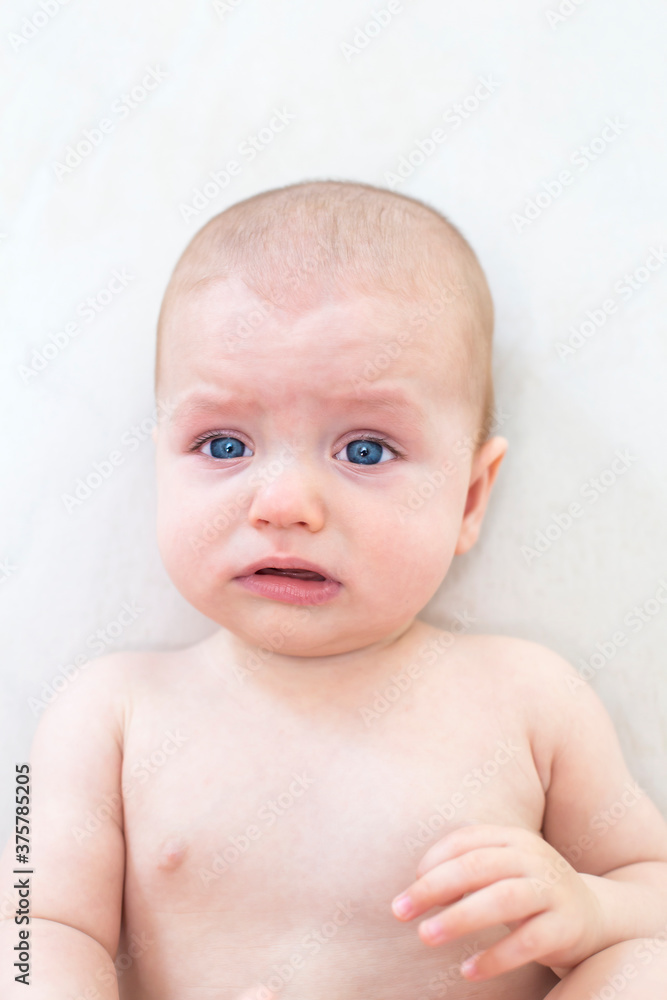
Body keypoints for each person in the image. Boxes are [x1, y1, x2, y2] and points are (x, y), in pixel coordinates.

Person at [2, 180, 667, 999]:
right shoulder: (106, 712)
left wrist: (590, 910)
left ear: (467, 497)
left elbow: (652, 893)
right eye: (221, 443)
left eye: (364, 451)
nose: (282, 504)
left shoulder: (530, 697)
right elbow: (29, 923)